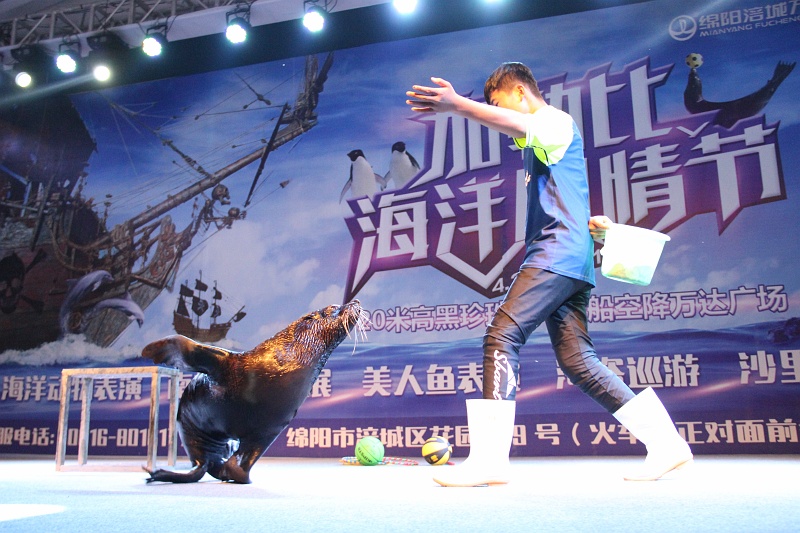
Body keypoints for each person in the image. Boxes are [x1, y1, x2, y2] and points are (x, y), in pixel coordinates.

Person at [405, 62, 692, 487]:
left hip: (555, 254)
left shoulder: (554, 121)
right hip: (572, 258)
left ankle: (489, 460)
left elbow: (516, 124)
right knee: (579, 361)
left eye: (501, 103)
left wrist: (458, 105)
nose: (502, 116)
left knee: (501, 336)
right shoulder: (541, 141)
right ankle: (667, 445)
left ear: (521, 93)